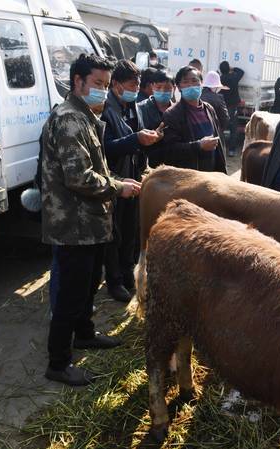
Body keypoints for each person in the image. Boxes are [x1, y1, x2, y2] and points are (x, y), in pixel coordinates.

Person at [40, 53, 141, 386]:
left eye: (105, 85)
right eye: (96, 84)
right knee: (71, 293)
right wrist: (118, 186)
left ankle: (84, 334)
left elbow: (95, 166)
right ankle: (59, 361)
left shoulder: (85, 116)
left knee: (86, 286)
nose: (102, 90)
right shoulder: (69, 119)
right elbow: (79, 177)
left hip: (92, 222)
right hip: (74, 225)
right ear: (77, 82)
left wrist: (116, 182)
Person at [101, 60, 162, 303]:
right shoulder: (105, 109)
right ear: (115, 84)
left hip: (134, 177)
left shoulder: (132, 106)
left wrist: (147, 142)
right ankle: (113, 281)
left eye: (138, 84)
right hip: (114, 179)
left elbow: (137, 138)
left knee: (130, 229)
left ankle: (127, 272)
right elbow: (104, 148)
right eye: (131, 84)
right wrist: (136, 139)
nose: (136, 89)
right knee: (113, 233)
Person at [160, 65, 227, 172]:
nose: (190, 85)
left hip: (211, 174)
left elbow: (218, 139)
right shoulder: (172, 114)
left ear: (201, 84)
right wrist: (199, 146)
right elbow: (170, 150)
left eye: (194, 80)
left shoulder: (209, 109)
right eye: (185, 82)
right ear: (179, 87)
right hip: (189, 177)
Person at [137, 70, 176, 168]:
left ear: (174, 88)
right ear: (152, 87)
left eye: (167, 88)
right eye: (158, 87)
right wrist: (152, 137)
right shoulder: (140, 109)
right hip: (149, 166)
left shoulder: (178, 110)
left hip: (173, 166)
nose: (163, 91)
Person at [219, 61, 244, 157]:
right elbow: (241, 72)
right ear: (228, 68)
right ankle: (231, 150)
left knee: (221, 127)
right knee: (233, 129)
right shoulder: (234, 77)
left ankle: (220, 148)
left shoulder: (220, 79)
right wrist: (233, 69)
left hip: (222, 106)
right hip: (233, 107)